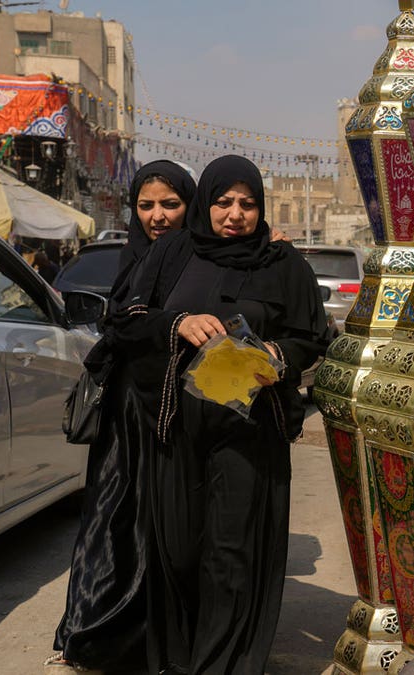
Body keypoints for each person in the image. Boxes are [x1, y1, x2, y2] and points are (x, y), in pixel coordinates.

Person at [112, 155, 329, 674]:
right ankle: (183, 654)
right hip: (177, 428)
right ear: (206, 203)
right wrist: (179, 323)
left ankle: (223, 663)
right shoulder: (172, 253)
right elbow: (127, 319)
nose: (235, 214)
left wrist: (281, 356)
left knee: (230, 554)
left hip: (248, 432)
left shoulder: (284, 265)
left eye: (247, 204)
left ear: (260, 207)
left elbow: (311, 336)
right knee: (181, 550)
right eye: (223, 202)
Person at [48, 160, 197, 675]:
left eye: (170, 204)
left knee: (168, 527)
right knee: (113, 520)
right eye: (147, 205)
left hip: (177, 413)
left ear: (190, 205)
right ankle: (94, 633)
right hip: (126, 417)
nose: (158, 216)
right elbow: (121, 325)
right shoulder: (134, 258)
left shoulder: (200, 257)